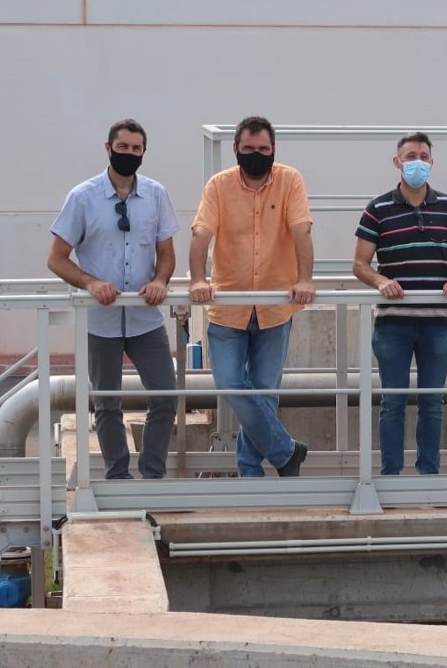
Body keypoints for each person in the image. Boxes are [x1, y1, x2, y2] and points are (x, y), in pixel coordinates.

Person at [47, 118, 179, 480]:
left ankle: (152, 475)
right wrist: (90, 283)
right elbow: (56, 258)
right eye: (123, 147)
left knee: (166, 397)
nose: (129, 154)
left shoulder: (156, 194)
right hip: (100, 320)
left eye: (136, 149)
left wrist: (160, 280)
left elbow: (167, 253)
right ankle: (117, 477)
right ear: (108, 149)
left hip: (145, 318)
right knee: (106, 403)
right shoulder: (82, 197)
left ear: (144, 152)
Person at [189, 116, 314, 477]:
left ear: (273, 150)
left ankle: (250, 472)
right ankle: (286, 451)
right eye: (248, 148)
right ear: (235, 149)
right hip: (228, 308)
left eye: (263, 149)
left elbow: (302, 231)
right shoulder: (219, 185)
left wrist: (305, 280)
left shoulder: (290, 180)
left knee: (264, 393)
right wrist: (198, 279)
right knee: (230, 385)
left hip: (276, 308)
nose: (256, 154)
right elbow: (200, 234)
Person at [353, 132, 447, 475]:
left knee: (433, 402)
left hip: (437, 321)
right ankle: (390, 476)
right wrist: (381, 281)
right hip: (393, 322)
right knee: (393, 402)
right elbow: (359, 264)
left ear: (432, 162)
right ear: (397, 162)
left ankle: (427, 476)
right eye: (410, 156)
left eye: (423, 156)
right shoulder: (377, 209)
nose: (417, 162)